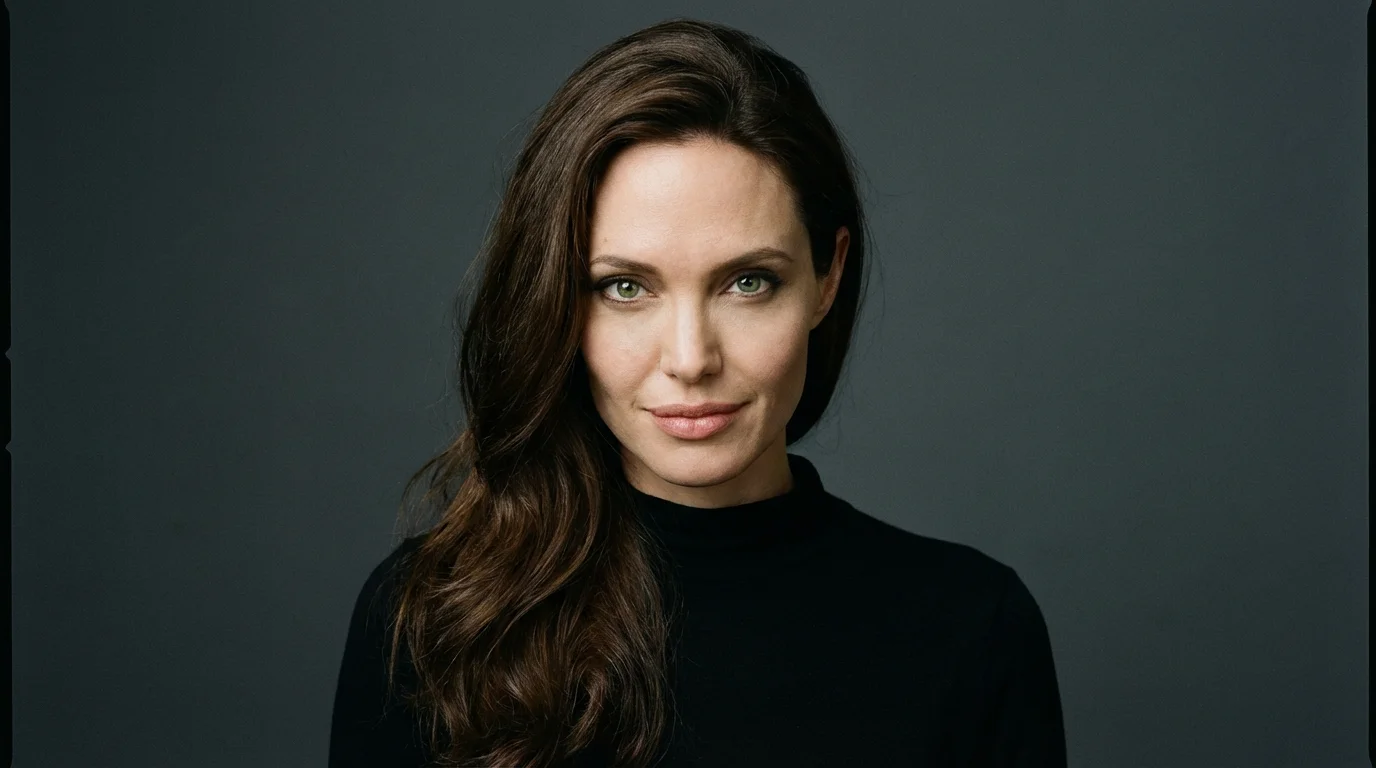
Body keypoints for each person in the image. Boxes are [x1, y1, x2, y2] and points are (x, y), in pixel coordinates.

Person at [329, 17, 1066, 768]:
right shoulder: (432, 620)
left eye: (748, 282)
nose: (690, 359)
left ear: (827, 277)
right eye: (624, 287)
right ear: (559, 303)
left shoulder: (972, 629)